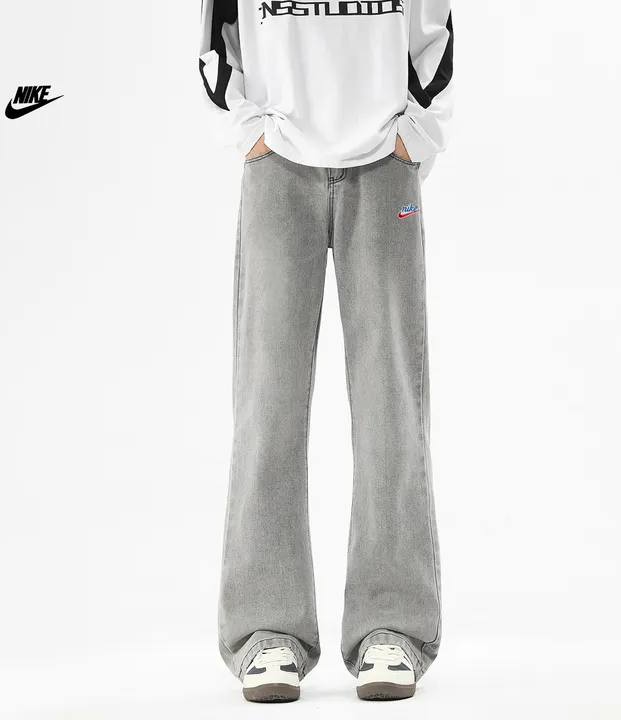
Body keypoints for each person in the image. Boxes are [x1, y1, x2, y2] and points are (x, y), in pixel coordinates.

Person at [198, 0, 454, 703]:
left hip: (386, 169)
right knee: (268, 403)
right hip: (277, 167)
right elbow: (216, 38)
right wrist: (248, 130)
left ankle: (393, 626)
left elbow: (436, 31)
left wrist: (414, 135)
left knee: (392, 401)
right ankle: (266, 629)